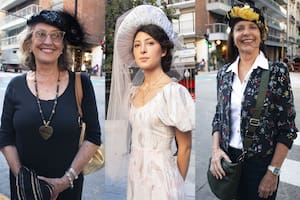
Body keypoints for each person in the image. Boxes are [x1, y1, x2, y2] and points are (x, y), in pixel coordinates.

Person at [0, 10, 101, 200]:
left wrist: (65, 180)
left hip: (68, 189)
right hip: (24, 191)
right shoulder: (15, 86)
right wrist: (24, 179)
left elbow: (93, 136)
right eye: (41, 34)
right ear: (30, 43)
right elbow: (5, 137)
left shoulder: (81, 83)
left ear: (63, 46)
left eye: (56, 36)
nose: (48, 41)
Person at [209, 3, 298, 200]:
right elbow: (218, 117)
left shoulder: (277, 72)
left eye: (252, 27)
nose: (246, 33)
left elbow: (288, 128)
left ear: (261, 34)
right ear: (233, 36)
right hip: (227, 162)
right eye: (240, 28)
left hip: (261, 165)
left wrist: (272, 172)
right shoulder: (224, 74)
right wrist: (215, 151)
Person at [107, 5, 195, 200]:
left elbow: (185, 147)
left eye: (150, 43)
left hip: (162, 179)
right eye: (137, 45)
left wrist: (175, 186)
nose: (143, 50)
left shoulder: (173, 93)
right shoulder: (133, 93)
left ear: (163, 50)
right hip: (135, 174)